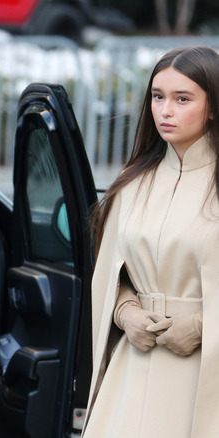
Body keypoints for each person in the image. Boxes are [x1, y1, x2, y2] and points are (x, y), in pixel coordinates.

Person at [84, 46, 219, 437]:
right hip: (133, 362)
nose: (165, 110)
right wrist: (125, 311)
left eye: (182, 98)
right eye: (158, 97)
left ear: (213, 107)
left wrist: (200, 325)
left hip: (202, 372)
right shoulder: (133, 183)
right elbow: (112, 272)